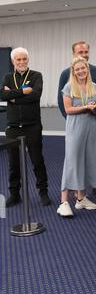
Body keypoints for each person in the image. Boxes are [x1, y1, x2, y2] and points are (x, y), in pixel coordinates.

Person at [0, 47, 51, 207]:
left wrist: (13, 96)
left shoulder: (36, 75)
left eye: (24, 59)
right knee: (14, 164)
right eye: (18, 59)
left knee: (37, 160)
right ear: (13, 61)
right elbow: (2, 95)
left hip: (32, 126)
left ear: (28, 60)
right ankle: (15, 194)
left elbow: (35, 95)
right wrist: (23, 92)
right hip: (13, 127)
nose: (21, 62)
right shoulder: (8, 77)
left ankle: (43, 192)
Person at [57, 41, 96, 197]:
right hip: (75, 122)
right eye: (80, 52)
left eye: (86, 51)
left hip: (95, 120)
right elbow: (61, 101)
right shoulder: (66, 73)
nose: (84, 54)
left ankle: (95, 184)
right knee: (75, 155)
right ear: (74, 54)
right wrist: (70, 117)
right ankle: (75, 187)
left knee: (94, 153)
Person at [57, 58, 96, 217]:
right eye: (77, 69)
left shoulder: (94, 87)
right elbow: (68, 109)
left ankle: (81, 198)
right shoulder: (68, 87)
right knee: (72, 161)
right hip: (75, 128)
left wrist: (95, 109)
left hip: (90, 127)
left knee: (85, 160)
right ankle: (63, 202)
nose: (81, 71)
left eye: (83, 68)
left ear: (87, 69)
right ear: (73, 72)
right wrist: (85, 107)